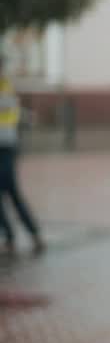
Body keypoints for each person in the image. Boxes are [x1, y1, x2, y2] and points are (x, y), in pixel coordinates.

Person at [0, 57, 43, 256]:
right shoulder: (6, 86)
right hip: (6, 145)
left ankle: (31, 232)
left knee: (11, 190)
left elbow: (11, 108)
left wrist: (26, 116)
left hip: (6, 146)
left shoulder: (5, 86)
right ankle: (11, 234)